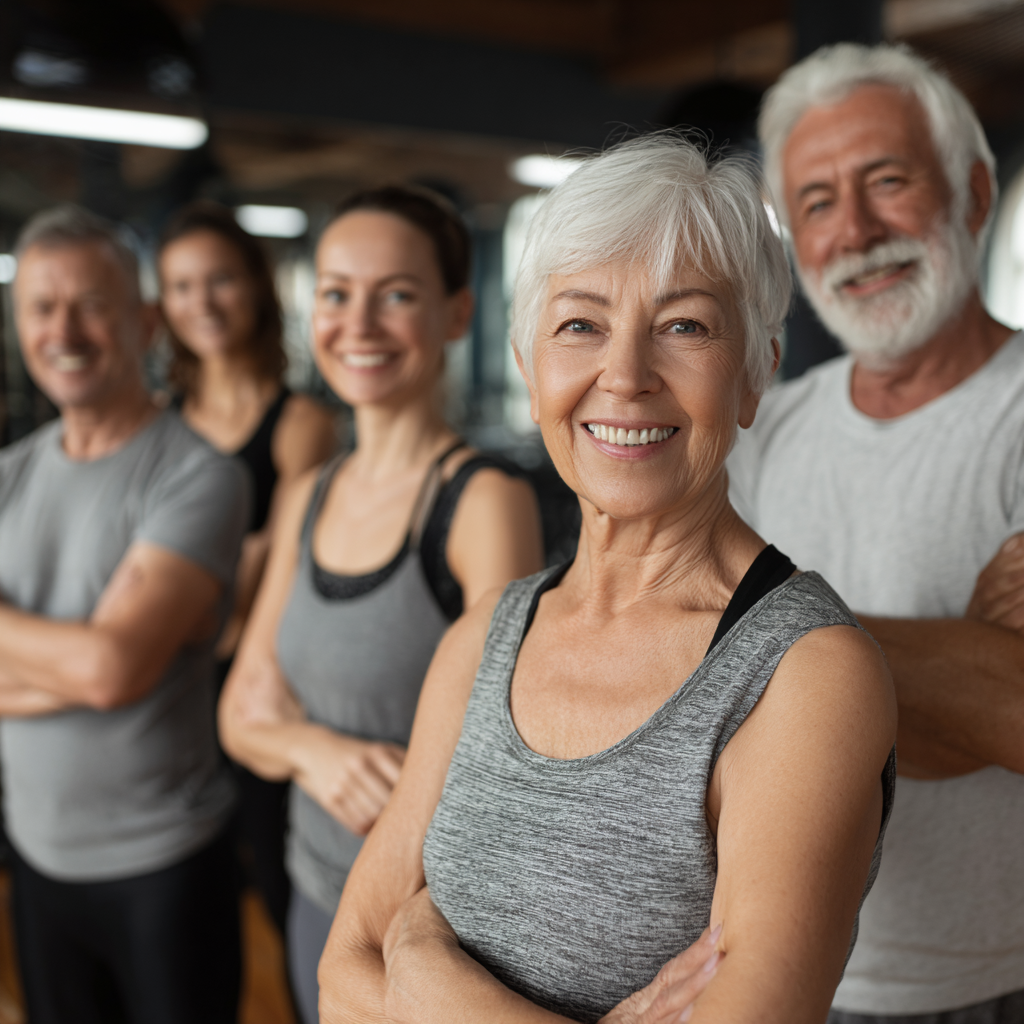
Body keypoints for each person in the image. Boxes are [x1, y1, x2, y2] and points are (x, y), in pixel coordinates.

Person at [317, 136, 897, 1024]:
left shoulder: (804, 675)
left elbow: (383, 968)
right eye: (580, 325)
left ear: (756, 374)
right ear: (530, 368)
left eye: (685, 326)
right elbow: (341, 982)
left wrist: (427, 972)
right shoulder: (490, 631)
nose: (624, 377)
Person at [729, 43, 1024, 1023]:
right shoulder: (764, 430)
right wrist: (967, 662)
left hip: (996, 979)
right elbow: (674, 684)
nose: (854, 231)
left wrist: (755, 653)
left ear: (973, 193)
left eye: (887, 181)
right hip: (774, 976)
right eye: (816, 202)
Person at [218, 184, 545, 1024]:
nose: (357, 324)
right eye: (336, 294)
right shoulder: (309, 494)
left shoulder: (481, 502)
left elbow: (501, 753)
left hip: (430, 934)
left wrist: (285, 739)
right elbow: (241, 713)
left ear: (457, 312)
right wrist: (316, 751)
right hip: (313, 891)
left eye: (395, 295)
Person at [0, 205, 248, 1023]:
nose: (63, 331)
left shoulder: (198, 476)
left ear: (144, 323)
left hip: (164, 866)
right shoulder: (9, 475)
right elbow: (100, 666)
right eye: (41, 307)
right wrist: (79, 662)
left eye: (91, 305)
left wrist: (86, 664)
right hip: (35, 859)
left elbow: (112, 669)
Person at [158, 202, 337, 936]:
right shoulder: (161, 424)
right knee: (189, 909)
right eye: (181, 286)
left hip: (263, 688)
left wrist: (183, 585)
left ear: (258, 287)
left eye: (220, 280)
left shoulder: (302, 425)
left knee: (276, 889)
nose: (201, 302)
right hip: (168, 691)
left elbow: (273, 584)